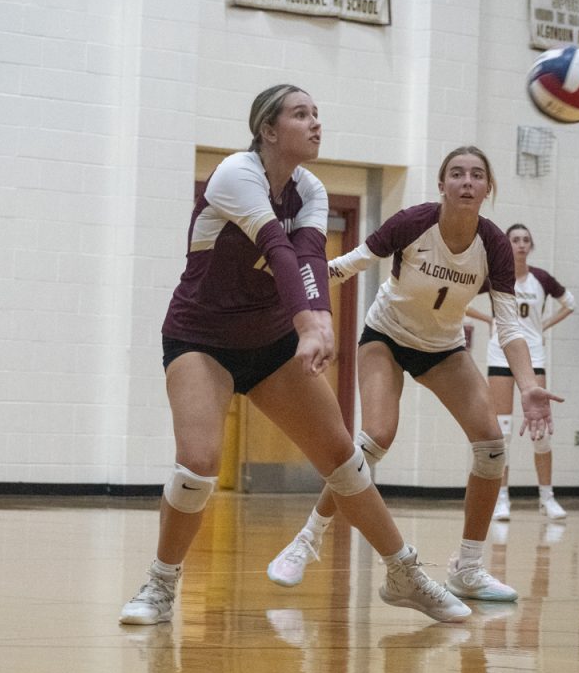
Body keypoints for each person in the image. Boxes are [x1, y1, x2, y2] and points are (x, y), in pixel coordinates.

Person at [119, 85, 471, 625]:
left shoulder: (310, 189)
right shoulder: (236, 174)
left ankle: (405, 573)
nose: (315, 124)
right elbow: (276, 249)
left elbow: (309, 255)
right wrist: (311, 323)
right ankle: (160, 585)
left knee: (342, 459)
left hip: (270, 342)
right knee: (199, 462)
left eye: (317, 114)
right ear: (267, 130)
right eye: (300, 114)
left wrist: (319, 322)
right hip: (201, 338)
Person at [265, 145, 559, 603]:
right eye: (457, 174)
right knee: (375, 437)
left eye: (477, 175)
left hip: (442, 347)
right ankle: (308, 539)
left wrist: (528, 386)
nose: (466, 182)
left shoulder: (495, 245)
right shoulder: (414, 221)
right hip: (387, 334)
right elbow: (350, 264)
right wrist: (294, 293)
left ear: (487, 188)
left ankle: (469, 568)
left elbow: (509, 324)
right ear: (441, 185)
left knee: (491, 447)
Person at [469, 224, 575, 521]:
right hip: (499, 352)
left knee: (541, 429)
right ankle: (502, 498)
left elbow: (570, 303)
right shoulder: (494, 275)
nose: (521, 244)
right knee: (502, 430)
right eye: (515, 240)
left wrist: (544, 326)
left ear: (532, 245)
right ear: (506, 244)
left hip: (533, 355)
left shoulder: (541, 278)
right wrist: (488, 319)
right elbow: (461, 301)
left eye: (526, 240)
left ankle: (547, 497)